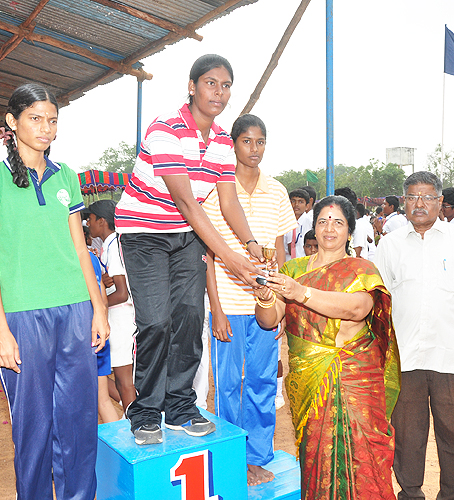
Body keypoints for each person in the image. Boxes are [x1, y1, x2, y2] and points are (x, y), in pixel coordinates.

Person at [115, 54, 264, 445]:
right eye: (211, 83)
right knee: (155, 321)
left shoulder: (222, 142)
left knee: (190, 316)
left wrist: (250, 244)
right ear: (192, 86)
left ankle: (180, 406)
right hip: (144, 232)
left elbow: (228, 201)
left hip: (186, 234)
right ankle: (145, 411)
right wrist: (230, 258)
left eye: (226, 85)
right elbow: (185, 201)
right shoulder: (165, 129)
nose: (219, 92)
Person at [0, 82, 109, 500]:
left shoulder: (66, 175)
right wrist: (1, 330)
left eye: (52, 120)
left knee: (79, 421)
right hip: (23, 315)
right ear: (12, 122)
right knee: (32, 428)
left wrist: (99, 309)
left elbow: (82, 250)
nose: (46, 128)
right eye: (36, 119)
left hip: (76, 310)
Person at [254, 195, 400, 500]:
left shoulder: (362, 269)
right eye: (322, 221)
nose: (329, 228)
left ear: (349, 230)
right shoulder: (293, 270)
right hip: (310, 383)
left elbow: (357, 309)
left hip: (355, 381)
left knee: (364, 461)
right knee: (316, 458)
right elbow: (268, 321)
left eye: (338, 222)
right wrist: (265, 298)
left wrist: (301, 293)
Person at [374, 171, 454, 500]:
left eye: (428, 197)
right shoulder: (390, 244)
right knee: (407, 435)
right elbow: (378, 300)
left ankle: (452, 495)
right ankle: (410, 493)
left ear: (440, 202)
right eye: (413, 197)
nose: (420, 204)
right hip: (404, 357)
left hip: (449, 356)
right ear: (404, 201)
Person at [203, 114, 297, 486]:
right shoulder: (216, 191)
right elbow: (209, 256)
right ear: (233, 144)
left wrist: (281, 306)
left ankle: (257, 457)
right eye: (246, 141)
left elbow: (280, 252)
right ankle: (233, 459)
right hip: (228, 304)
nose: (254, 149)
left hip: (266, 306)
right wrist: (216, 309)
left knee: (262, 382)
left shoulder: (277, 191)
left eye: (260, 142)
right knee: (227, 386)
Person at [85, 199, 137, 414]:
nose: (88, 223)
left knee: (124, 380)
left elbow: (123, 293)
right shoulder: (110, 244)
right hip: (117, 316)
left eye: (90, 219)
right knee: (112, 378)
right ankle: (135, 413)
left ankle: (136, 420)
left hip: (121, 317)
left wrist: (98, 306)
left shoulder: (114, 245)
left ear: (102, 221)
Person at [284, 188, 313, 259]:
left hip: (304, 262)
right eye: (293, 201)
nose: (296, 205)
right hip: (286, 261)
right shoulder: (282, 222)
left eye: (301, 202)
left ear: (307, 206)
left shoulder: (311, 223)